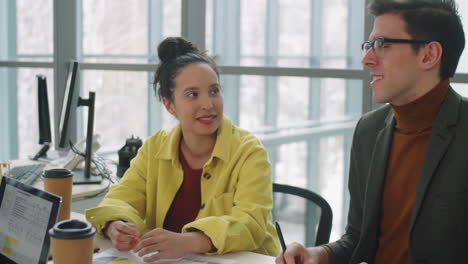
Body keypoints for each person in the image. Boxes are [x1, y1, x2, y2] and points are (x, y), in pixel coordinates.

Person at [276, 0, 465, 263]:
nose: (367, 59)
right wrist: (319, 254)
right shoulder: (369, 129)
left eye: (383, 45)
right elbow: (358, 238)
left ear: (429, 55)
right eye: (368, 45)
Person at [86, 37, 279, 262]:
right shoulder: (154, 148)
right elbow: (120, 199)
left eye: (214, 91)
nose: (207, 104)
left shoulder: (249, 151)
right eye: (192, 94)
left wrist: (190, 241)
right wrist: (114, 225)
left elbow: (251, 223)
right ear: (169, 105)